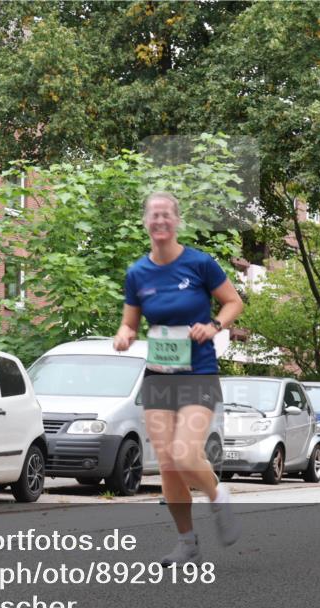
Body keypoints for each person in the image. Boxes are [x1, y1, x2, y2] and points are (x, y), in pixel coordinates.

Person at [113, 192, 244, 565]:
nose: (160, 221)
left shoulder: (200, 264)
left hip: (198, 373)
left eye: (166, 215)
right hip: (158, 375)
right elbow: (130, 321)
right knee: (168, 463)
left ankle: (219, 497)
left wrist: (214, 324)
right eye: (154, 215)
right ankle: (187, 542)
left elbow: (233, 301)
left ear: (177, 221)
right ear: (146, 222)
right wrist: (124, 334)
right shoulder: (138, 273)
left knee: (187, 453)